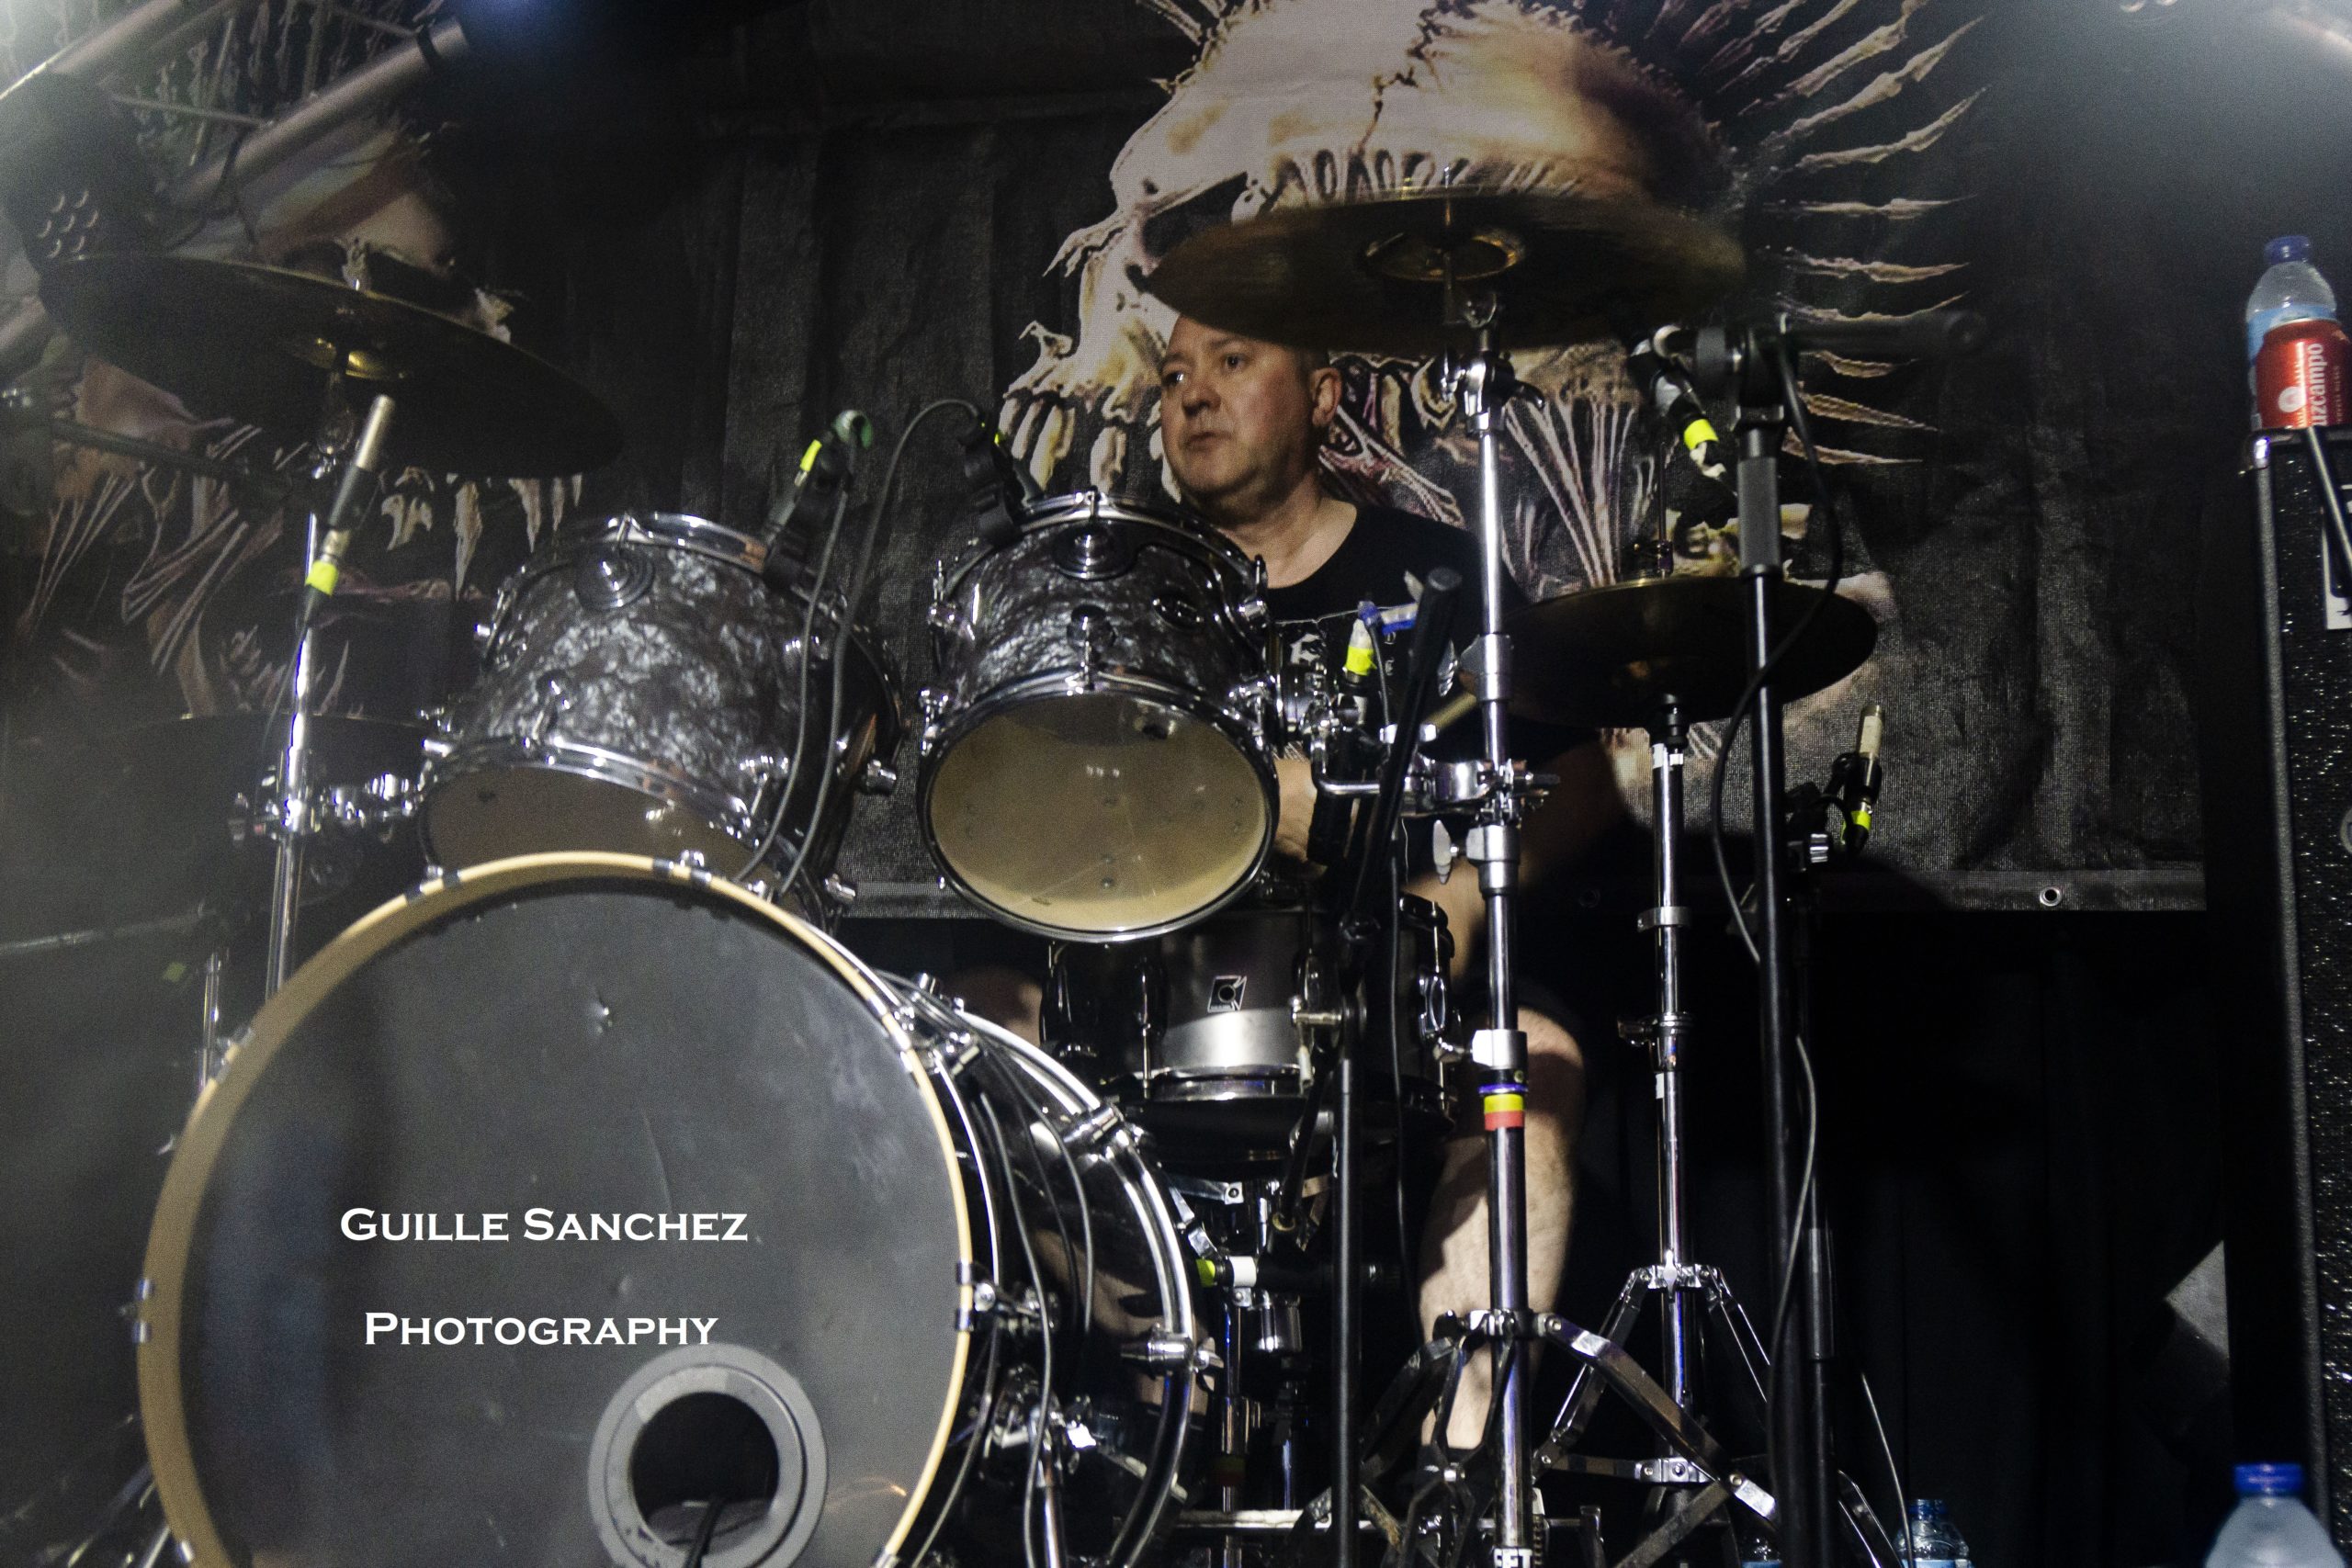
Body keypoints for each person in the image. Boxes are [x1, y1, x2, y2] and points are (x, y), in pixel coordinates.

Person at [1153, 313, 1621, 1441]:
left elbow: (1582, 779)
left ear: (1323, 399)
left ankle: (1463, 1473)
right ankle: (1171, 1447)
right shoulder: (1138, 600)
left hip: (1423, 976)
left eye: (1230, 362)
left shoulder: (1436, 574)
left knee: (1533, 1065)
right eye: (1171, 374)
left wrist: (1452, 899)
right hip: (1190, 985)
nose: (1192, 394)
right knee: (996, 1042)